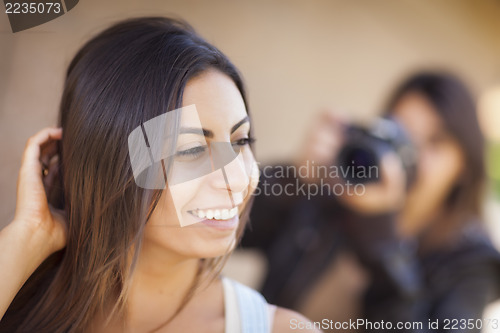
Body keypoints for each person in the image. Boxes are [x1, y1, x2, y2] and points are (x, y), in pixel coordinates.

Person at [0, 17, 321, 333]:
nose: (237, 179)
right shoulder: (16, 300)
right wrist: (29, 236)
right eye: (192, 148)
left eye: (241, 141)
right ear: (108, 163)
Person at [243, 71, 500, 332]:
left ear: (464, 166)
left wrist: (382, 246)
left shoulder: (472, 264)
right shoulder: (333, 198)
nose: (413, 154)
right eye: (403, 134)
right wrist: (295, 178)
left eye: (435, 142)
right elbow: (233, 233)